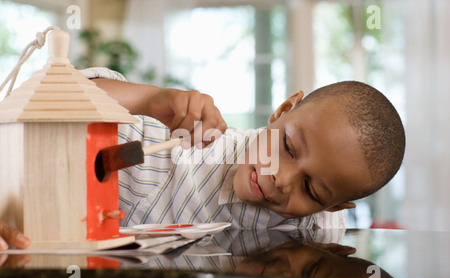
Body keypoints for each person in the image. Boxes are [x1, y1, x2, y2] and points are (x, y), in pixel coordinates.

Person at [0, 68, 405, 250]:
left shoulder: (317, 232)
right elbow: (53, 95)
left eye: (311, 189)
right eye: (287, 147)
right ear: (282, 110)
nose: (282, 179)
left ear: (334, 205)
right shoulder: (184, 136)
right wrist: (150, 98)